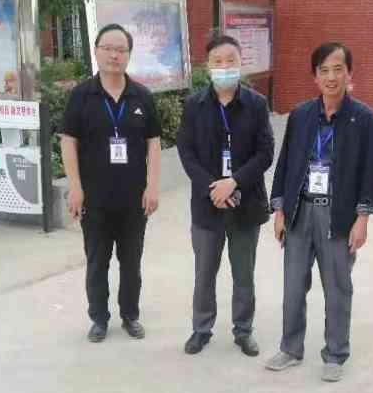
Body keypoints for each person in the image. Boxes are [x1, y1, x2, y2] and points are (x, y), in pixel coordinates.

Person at [265, 42, 373, 382]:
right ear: (315, 76)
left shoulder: (364, 118)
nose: (331, 77)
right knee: (293, 285)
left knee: (337, 288)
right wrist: (280, 209)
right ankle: (290, 348)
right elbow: (285, 164)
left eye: (338, 69)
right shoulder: (301, 115)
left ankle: (335, 354)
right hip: (300, 212)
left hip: (338, 214)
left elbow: (370, 172)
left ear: (349, 73)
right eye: (324, 70)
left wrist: (362, 219)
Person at [61, 23, 162, 342]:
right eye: (108, 48)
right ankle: (99, 318)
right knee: (97, 262)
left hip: (133, 199)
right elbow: (68, 141)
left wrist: (152, 186)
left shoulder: (142, 96)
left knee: (131, 263)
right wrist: (75, 187)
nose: (114, 55)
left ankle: (130, 315)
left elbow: (154, 142)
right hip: (95, 199)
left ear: (129, 55)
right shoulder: (81, 95)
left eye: (121, 50)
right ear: (96, 51)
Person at [176, 35, 274, 357]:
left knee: (244, 274)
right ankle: (201, 329)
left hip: (245, 203)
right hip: (207, 206)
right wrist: (213, 188)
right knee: (204, 273)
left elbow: (265, 152)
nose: (224, 66)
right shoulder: (194, 105)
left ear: (241, 63)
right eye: (217, 61)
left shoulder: (256, 104)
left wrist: (233, 183)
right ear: (207, 66)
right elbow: (187, 153)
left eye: (231, 60)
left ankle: (243, 331)